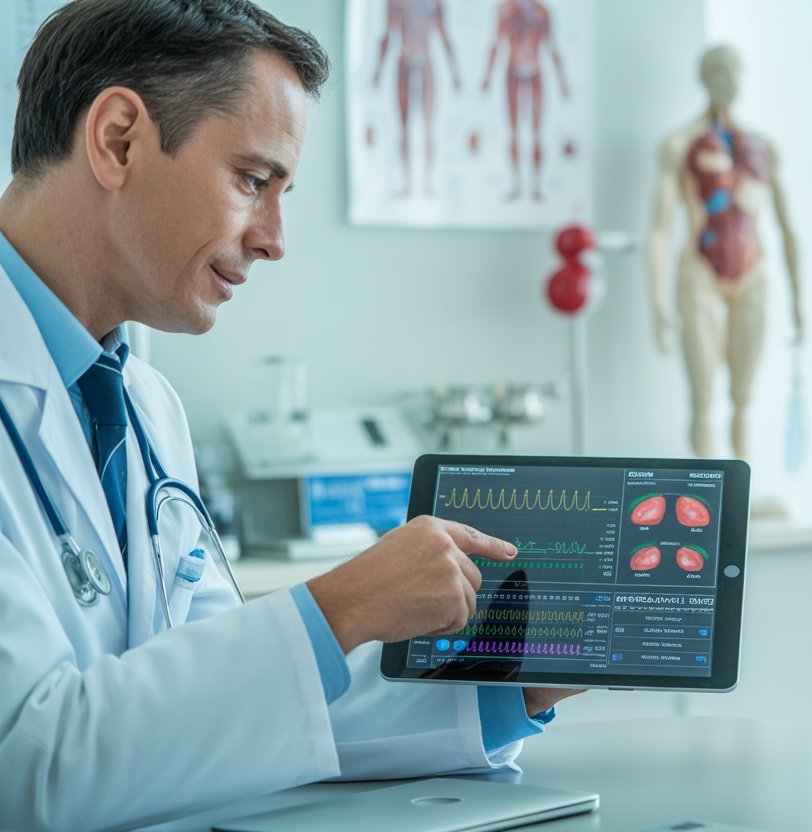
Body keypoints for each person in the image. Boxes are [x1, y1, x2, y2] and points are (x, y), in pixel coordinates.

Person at [0, 2, 577, 829]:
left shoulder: (143, 406)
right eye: (252, 180)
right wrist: (339, 607)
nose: (275, 238)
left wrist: (512, 681)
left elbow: (224, 718)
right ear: (119, 138)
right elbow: (26, 768)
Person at [648, 45, 803, 462]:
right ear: (704, 80)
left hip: (752, 270)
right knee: (703, 395)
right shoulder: (680, 146)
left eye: (733, 75)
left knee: (744, 396)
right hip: (700, 267)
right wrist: (657, 303)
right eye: (718, 75)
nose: (727, 84)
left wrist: (798, 301)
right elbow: (659, 230)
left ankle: (740, 500)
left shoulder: (763, 149)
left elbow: (788, 228)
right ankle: (706, 499)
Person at [370, 0, 461, 198]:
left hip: (427, 63)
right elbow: (388, 33)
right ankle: (407, 183)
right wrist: (378, 70)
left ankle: (426, 183)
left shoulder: (435, 3)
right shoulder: (395, 3)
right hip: (404, 62)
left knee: (428, 127)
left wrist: (455, 71)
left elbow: (443, 32)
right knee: (404, 128)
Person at [480, 0, 570, 202]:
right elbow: (496, 44)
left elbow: (551, 46)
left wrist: (563, 82)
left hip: (535, 71)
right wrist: (488, 77)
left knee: (537, 133)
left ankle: (536, 186)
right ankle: (516, 185)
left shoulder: (542, 12)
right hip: (512, 72)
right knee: (514, 132)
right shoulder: (505, 10)